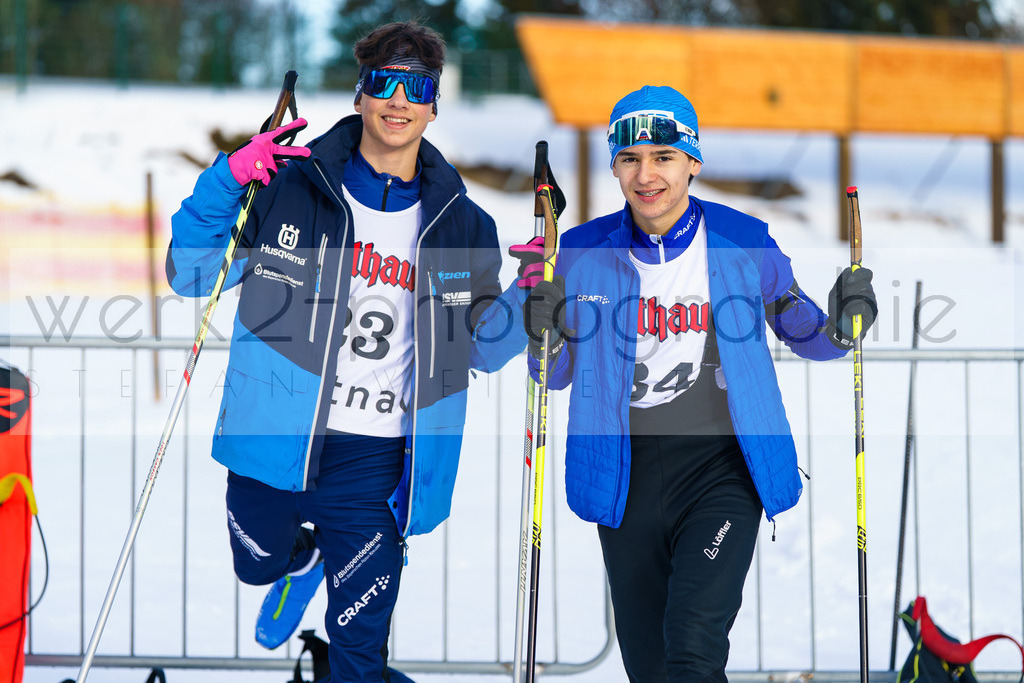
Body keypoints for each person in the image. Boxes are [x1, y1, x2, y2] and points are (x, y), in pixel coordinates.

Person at [166, 21, 524, 682]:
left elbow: (481, 346)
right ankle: (300, 560)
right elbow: (190, 273)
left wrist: (532, 293)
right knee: (257, 563)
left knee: (359, 653)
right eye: (383, 83)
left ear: (434, 106)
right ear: (360, 94)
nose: (399, 100)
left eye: (418, 88)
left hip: (375, 464)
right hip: (273, 437)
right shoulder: (288, 185)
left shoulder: (464, 224)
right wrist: (230, 177)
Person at [512, 85, 877, 681]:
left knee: (692, 645)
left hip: (720, 470)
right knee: (651, 666)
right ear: (614, 167)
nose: (646, 175)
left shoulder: (743, 241)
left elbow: (809, 334)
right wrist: (541, 333)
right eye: (630, 159)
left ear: (692, 162)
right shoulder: (579, 252)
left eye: (663, 157)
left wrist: (844, 323)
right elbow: (555, 374)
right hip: (622, 475)